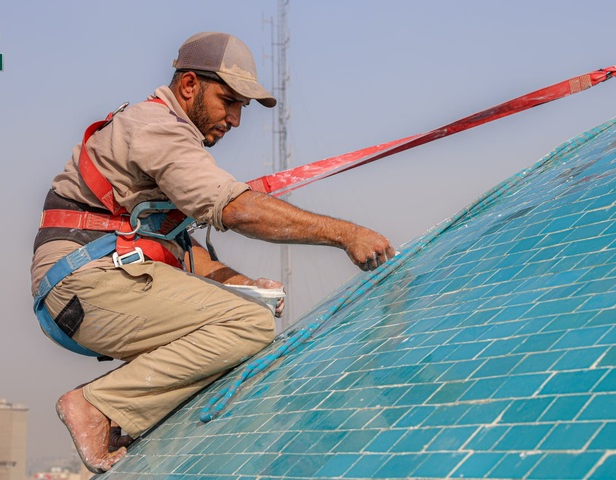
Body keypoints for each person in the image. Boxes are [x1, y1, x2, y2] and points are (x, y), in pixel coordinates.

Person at [31, 31, 395, 473]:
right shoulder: (158, 128)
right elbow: (238, 210)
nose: (236, 120)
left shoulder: (167, 136)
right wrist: (346, 234)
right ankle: (98, 405)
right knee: (247, 325)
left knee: (234, 328)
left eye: (242, 107)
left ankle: (122, 420)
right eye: (229, 101)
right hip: (85, 280)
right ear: (189, 86)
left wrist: (242, 284)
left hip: (87, 284)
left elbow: (174, 251)